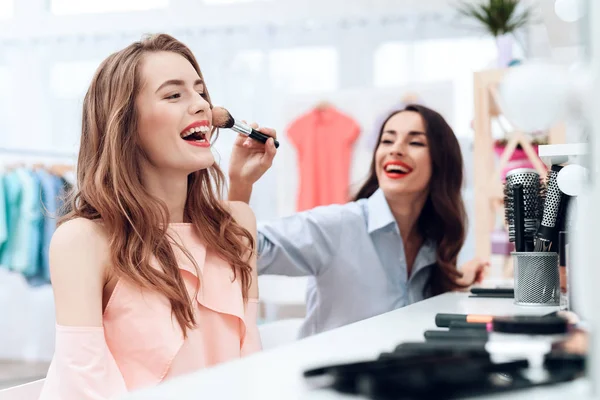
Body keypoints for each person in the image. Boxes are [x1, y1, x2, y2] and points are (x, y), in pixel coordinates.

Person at [40, 33, 272, 399]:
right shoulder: (83, 241)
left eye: (200, 92)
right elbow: (83, 387)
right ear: (125, 126)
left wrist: (240, 186)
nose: (201, 106)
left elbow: (247, 360)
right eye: (174, 94)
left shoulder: (240, 224)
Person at [228, 104, 489, 338]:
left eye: (415, 143)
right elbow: (242, 251)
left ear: (441, 162)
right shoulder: (339, 226)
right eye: (387, 141)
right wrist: (241, 184)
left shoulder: (434, 242)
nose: (395, 150)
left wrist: (457, 278)